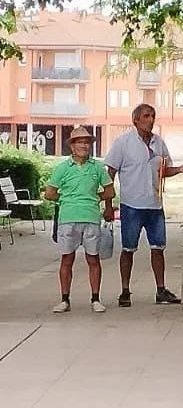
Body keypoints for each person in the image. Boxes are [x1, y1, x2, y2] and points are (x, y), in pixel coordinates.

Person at [104, 104, 183, 307]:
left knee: (158, 248)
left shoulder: (158, 143)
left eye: (152, 116)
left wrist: (180, 169)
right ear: (136, 120)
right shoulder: (123, 143)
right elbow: (110, 173)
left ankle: (161, 290)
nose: (150, 120)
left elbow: (164, 170)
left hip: (155, 204)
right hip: (131, 204)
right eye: (146, 116)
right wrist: (108, 204)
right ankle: (125, 291)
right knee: (128, 249)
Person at [45, 126, 115, 313]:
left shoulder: (97, 167)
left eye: (87, 142)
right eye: (80, 142)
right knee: (67, 259)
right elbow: (49, 193)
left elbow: (110, 191)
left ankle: (95, 299)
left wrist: (91, 198)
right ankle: (65, 299)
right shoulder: (62, 168)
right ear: (72, 146)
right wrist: (67, 199)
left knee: (93, 259)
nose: (84, 145)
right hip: (68, 218)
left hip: (91, 217)